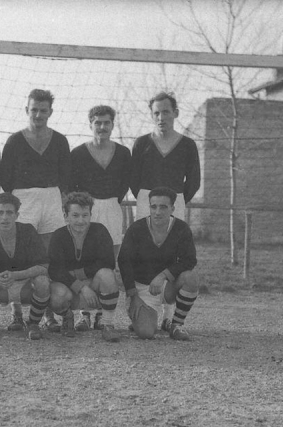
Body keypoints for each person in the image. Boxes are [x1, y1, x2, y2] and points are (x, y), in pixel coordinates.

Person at [0, 88, 70, 332]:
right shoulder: (15, 140)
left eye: (43, 110)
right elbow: (5, 178)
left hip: (51, 197)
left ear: (50, 112)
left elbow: (66, 175)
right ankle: (17, 313)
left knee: (49, 256)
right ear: (26, 110)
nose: (38, 114)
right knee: (20, 257)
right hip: (24, 197)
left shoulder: (60, 140)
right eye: (34, 110)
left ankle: (48, 312)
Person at [69, 104, 131, 331]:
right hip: (88, 210)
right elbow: (71, 186)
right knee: (85, 260)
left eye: (107, 123)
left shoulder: (123, 153)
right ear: (90, 124)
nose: (102, 127)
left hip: (112, 207)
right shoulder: (77, 153)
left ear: (112, 125)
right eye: (98, 123)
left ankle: (104, 315)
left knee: (108, 263)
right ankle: (85, 314)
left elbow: (126, 183)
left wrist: (111, 200)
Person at [118, 186, 199, 341]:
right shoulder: (137, 228)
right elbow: (124, 261)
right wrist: (132, 295)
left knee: (191, 277)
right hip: (143, 288)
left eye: (163, 207)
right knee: (146, 333)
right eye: (153, 206)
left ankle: (176, 325)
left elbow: (190, 260)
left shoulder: (181, 228)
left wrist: (163, 275)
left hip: (167, 285)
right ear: (149, 207)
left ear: (172, 208)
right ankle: (140, 318)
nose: (157, 212)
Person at [0, 193, 50, 339]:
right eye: (0, 213)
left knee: (43, 282)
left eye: (9, 212)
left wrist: (16, 275)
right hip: (1, 284)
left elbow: (43, 266)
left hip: (25, 284)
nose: (5, 217)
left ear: (17, 215)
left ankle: (33, 323)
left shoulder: (28, 231)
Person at [47, 192, 121, 342]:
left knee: (107, 275)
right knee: (56, 294)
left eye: (85, 215)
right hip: (71, 287)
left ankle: (107, 324)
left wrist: (79, 275)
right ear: (65, 216)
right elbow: (55, 270)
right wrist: (81, 287)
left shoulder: (100, 230)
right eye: (75, 215)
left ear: (90, 215)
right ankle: (68, 318)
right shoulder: (58, 235)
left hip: (93, 285)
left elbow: (108, 261)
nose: (80, 220)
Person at [131, 92, 201, 220]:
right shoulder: (141, 143)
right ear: (152, 115)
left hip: (175, 203)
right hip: (146, 202)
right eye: (156, 113)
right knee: (144, 239)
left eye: (166, 112)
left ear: (176, 113)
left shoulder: (188, 144)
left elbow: (194, 181)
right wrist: (144, 197)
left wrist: (177, 200)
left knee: (172, 239)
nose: (161, 118)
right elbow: (133, 179)